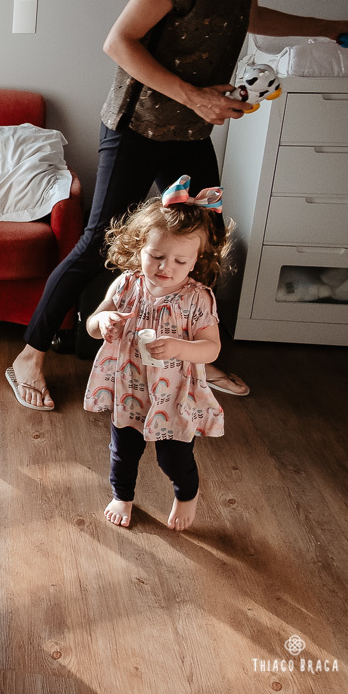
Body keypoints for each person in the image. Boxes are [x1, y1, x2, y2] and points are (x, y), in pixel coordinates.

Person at [5, 0, 348, 410]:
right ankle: (30, 355)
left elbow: (250, 15)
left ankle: (196, 352)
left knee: (205, 237)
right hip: (139, 126)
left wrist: (330, 29)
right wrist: (195, 95)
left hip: (188, 131)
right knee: (97, 244)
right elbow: (119, 41)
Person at [84, 177, 230, 531]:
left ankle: (186, 495)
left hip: (174, 394)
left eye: (180, 260)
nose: (166, 267)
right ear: (139, 248)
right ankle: (123, 495)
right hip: (129, 387)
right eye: (157, 256)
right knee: (123, 452)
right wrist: (104, 322)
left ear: (196, 261)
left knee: (174, 458)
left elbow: (211, 349)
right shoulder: (127, 284)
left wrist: (181, 347)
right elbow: (91, 322)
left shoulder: (197, 299)